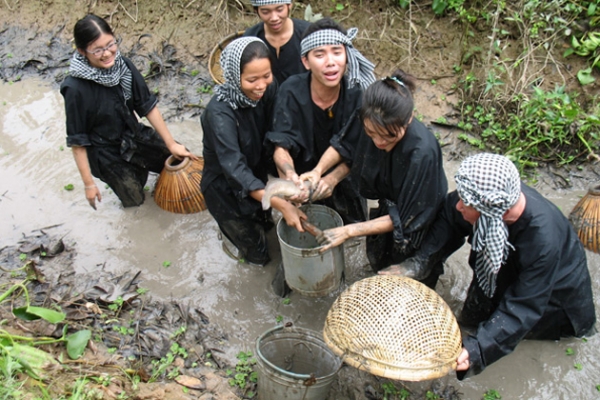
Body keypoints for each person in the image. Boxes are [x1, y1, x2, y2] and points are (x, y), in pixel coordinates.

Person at [386, 153, 597, 378]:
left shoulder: (543, 242)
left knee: (498, 332)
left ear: (493, 213)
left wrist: (478, 349)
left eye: (465, 203)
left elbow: (524, 307)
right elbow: (450, 214)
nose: (459, 205)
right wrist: (420, 263)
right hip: (502, 273)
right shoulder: (488, 196)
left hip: (553, 302)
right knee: (474, 316)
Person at [313, 70, 448, 288]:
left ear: (408, 119)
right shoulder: (368, 116)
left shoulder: (422, 153)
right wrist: (319, 172)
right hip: (390, 204)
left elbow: (406, 218)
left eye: (389, 136)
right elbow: (345, 145)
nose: (378, 142)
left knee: (410, 279)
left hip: (419, 218)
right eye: (371, 133)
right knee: (381, 263)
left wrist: (349, 231)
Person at [60, 14, 196, 209]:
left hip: (133, 135)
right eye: (97, 50)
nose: (107, 53)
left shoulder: (123, 66)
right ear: (82, 51)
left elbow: (147, 106)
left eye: (110, 45)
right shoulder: (75, 89)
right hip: (106, 153)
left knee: (181, 159)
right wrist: (88, 184)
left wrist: (171, 143)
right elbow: (78, 141)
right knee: (136, 201)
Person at [201, 36, 305, 266]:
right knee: (257, 256)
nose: (260, 86)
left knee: (266, 224)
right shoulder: (219, 114)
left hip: (256, 174)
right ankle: (237, 243)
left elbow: (278, 131)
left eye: (266, 75)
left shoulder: (269, 89)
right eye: (251, 79)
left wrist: (287, 177)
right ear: (233, 76)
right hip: (225, 191)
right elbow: (235, 170)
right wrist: (282, 204)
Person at [265, 17, 376, 225]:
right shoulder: (290, 91)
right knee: (303, 225)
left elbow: (359, 150)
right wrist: (290, 175)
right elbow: (281, 145)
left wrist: (331, 179)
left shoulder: (358, 94)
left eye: (337, 52)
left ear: (347, 56)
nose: (330, 62)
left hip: (345, 177)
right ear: (306, 62)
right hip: (303, 178)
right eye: (319, 54)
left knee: (351, 229)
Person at [244, 0, 310, 84]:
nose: (274, 18)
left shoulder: (308, 34)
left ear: (289, 5)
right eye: (265, 12)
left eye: (279, 10)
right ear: (256, 10)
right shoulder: (250, 37)